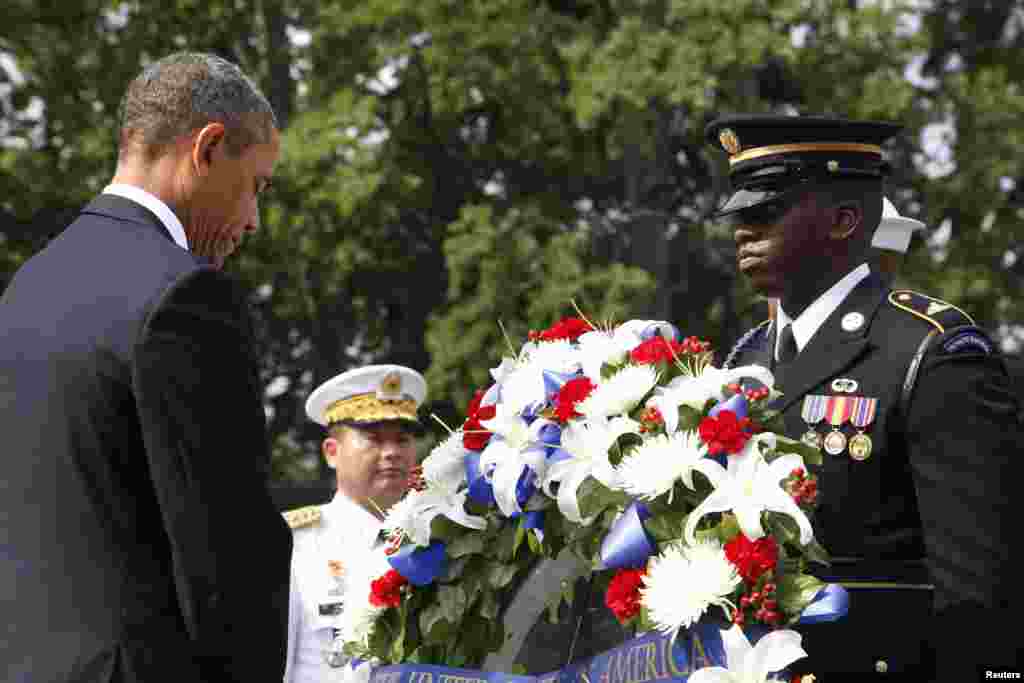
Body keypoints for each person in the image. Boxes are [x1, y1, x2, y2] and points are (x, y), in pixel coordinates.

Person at [0, 52, 291, 682]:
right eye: (257, 185)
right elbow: (229, 560)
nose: (253, 220)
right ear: (209, 148)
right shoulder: (184, 297)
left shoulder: (26, 288)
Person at [709, 114, 1021, 681]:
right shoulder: (743, 362)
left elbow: (981, 598)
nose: (742, 230)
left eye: (765, 211)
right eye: (738, 213)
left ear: (844, 221)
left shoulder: (931, 351)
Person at [282, 364, 426, 683]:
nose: (391, 453)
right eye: (374, 439)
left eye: (402, 440)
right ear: (332, 453)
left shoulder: (437, 536)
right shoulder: (293, 543)